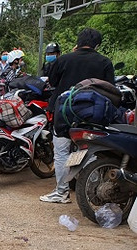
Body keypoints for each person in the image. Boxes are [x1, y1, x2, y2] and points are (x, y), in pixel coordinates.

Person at [40, 28, 115, 204]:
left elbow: (52, 82)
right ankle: (93, 192)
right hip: (92, 115)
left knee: (61, 153)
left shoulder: (64, 59)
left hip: (64, 114)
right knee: (92, 151)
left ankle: (61, 192)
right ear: (97, 44)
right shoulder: (104, 62)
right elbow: (111, 89)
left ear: (78, 42)